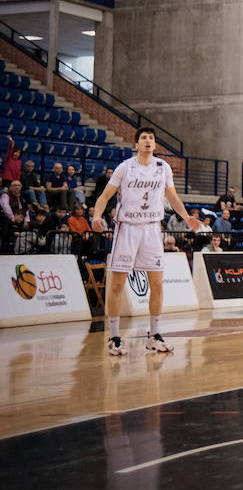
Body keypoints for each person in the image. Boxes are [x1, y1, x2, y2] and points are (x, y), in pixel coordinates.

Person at [88, 127, 205, 355]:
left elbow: (172, 196)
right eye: (144, 138)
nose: (148, 140)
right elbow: (104, 196)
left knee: (158, 284)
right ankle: (114, 337)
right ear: (136, 145)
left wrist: (186, 217)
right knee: (117, 285)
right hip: (128, 228)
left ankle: (154, 335)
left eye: (151, 138)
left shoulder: (163, 167)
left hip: (152, 228)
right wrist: (96, 216)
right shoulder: (125, 167)